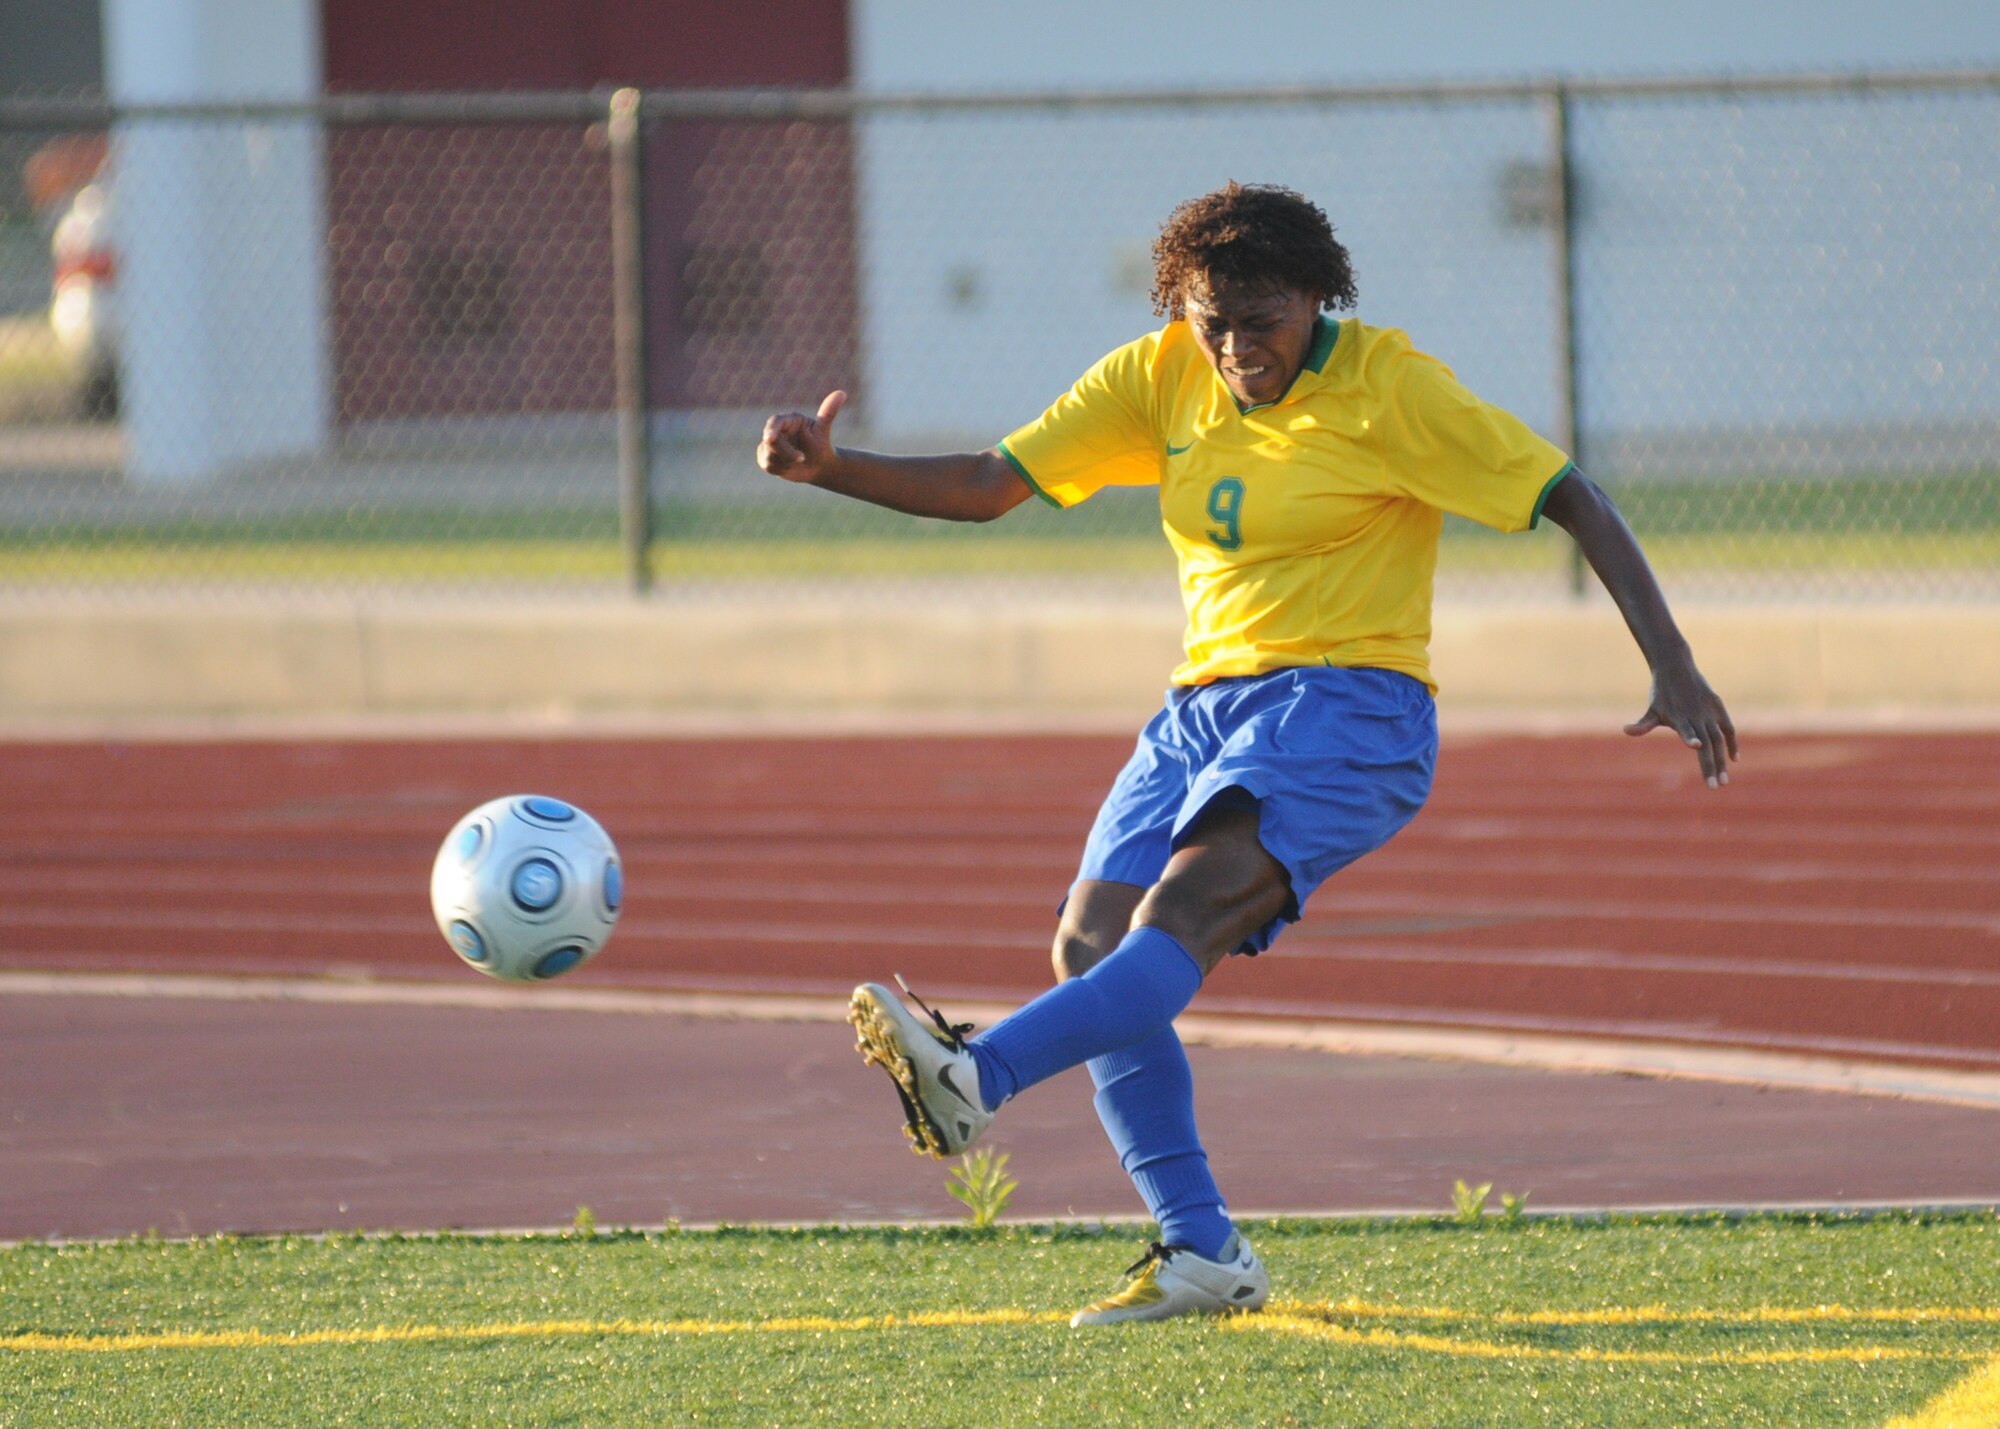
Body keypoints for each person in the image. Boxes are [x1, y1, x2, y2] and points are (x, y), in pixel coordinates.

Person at [756, 181, 1736, 1327]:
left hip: (1350, 704)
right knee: (1086, 944)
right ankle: (1200, 1251)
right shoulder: (1160, 370)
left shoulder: (1390, 389)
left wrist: (1669, 662)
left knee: (1183, 906)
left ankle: (979, 1076)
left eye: (1257, 319)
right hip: (1201, 707)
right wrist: (835, 467)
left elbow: (1572, 496)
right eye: (1208, 320)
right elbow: (987, 484)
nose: (1232, 346)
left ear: (1317, 298)